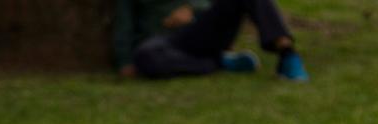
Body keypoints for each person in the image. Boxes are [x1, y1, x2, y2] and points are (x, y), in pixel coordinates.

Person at [113, 0, 309, 81]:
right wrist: (124, 61)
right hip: (162, 43)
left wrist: (192, 7)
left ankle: (287, 53)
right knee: (146, 56)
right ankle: (221, 62)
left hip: (199, 30)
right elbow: (123, 22)